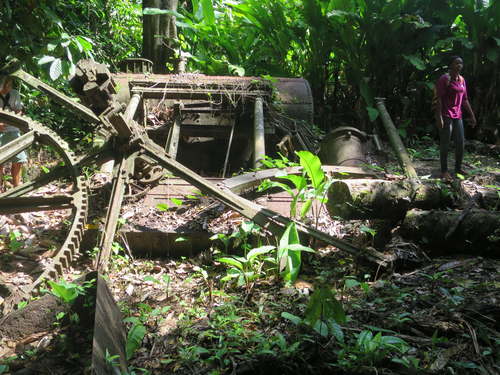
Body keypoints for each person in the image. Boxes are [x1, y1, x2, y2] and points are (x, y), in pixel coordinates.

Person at [435, 56, 477, 181]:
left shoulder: (462, 80)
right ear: (451, 65)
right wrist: (439, 117)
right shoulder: (444, 79)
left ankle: (458, 168)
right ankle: (444, 171)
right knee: (445, 143)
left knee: (460, 143)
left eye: (461, 63)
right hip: (446, 115)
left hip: (457, 115)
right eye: (456, 63)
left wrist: (472, 115)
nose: (459, 65)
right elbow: (439, 98)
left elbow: (464, 99)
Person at [0, 75, 27, 189]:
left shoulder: (14, 93)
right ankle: (1, 188)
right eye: (6, 85)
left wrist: (16, 119)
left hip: (13, 130)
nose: (8, 87)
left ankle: (16, 188)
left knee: (19, 159)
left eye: (10, 84)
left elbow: (19, 110)